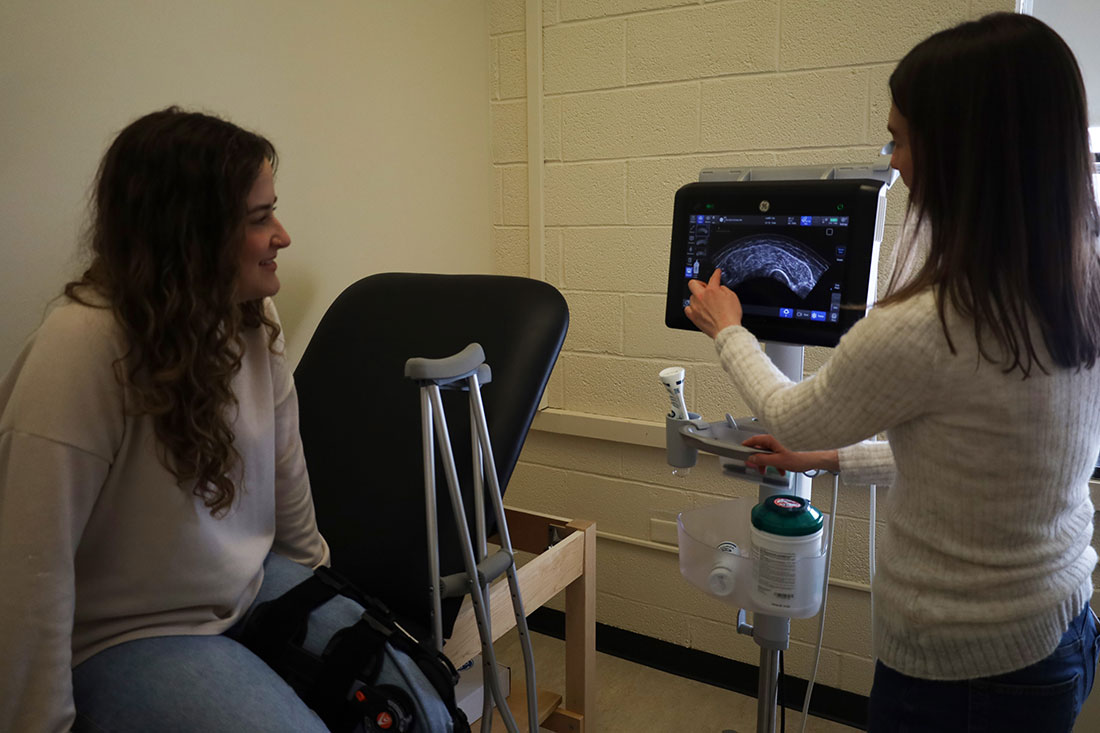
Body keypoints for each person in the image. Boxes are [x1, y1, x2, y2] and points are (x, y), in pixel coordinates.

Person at [685, 12, 1100, 732]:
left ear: (962, 155)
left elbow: (790, 412)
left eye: (902, 139)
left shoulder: (931, 321)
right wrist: (833, 458)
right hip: (1060, 629)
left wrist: (729, 328)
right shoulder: (1075, 288)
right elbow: (978, 455)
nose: (894, 161)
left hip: (960, 677)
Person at [0, 108, 343, 732]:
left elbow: (287, 480)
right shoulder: (84, 343)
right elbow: (28, 570)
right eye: (260, 218)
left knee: (415, 700)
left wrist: (320, 597)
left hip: (247, 588)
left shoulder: (253, 321)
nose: (283, 235)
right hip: (125, 634)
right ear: (194, 234)